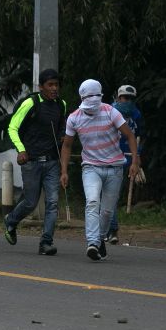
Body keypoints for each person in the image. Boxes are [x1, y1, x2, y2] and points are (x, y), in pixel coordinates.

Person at [59, 79, 139, 261]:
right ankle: (93, 243)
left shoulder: (111, 112)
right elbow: (67, 146)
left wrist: (134, 161)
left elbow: (130, 135)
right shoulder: (74, 118)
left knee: (107, 211)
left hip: (115, 168)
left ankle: (100, 237)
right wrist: (64, 171)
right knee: (93, 202)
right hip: (91, 167)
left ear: (100, 96)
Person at [3, 69, 67, 256]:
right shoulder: (31, 103)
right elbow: (12, 127)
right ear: (41, 87)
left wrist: (63, 137)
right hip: (31, 162)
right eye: (50, 85)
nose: (54, 88)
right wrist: (21, 150)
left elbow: (62, 128)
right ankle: (11, 221)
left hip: (52, 163)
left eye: (56, 84)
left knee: (53, 202)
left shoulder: (61, 105)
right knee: (30, 203)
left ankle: (46, 242)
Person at [106, 84, 143, 244]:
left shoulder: (136, 114)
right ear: (118, 97)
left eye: (131, 99)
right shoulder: (110, 112)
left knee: (112, 195)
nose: (127, 101)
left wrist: (137, 157)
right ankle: (111, 229)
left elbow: (138, 136)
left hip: (128, 158)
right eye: (124, 98)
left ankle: (111, 230)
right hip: (111, 157)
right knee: (109, 195)